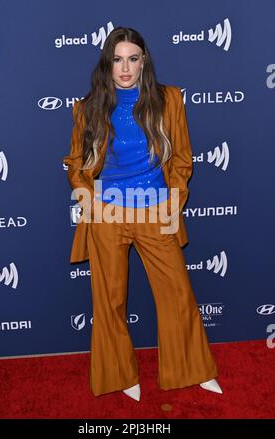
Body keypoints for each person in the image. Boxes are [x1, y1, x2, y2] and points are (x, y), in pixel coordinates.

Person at [63, 27, 223, 401]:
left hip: (155, 211)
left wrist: (172, 201)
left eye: (132, 58)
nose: (125, 67)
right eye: (117, 59)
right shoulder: (89, 107)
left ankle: (193, 369)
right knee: (110, 300)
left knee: (177, 293)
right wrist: (91, 202)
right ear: (108, 62)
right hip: (107, 216)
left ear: (144, 62)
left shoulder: (169, 100)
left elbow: (182, 159)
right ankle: (120, 376)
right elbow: (76, 164)